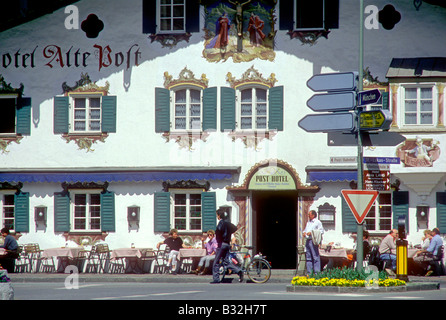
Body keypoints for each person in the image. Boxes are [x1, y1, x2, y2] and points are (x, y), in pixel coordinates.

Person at [211, 209, 243, 283]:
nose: (217, 216)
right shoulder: (228, 223)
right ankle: (239, 271)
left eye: (217, 215)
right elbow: (235, 228)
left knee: (216, 262)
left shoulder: (221, 223)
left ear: (219, 215)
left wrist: (219, 237)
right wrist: (229, 233)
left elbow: (218, 230)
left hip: (221, 244)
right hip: (227, 244)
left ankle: (216, 279)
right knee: (226, 262)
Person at [303, 210, 324, 274]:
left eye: (309, 214)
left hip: (313, 240)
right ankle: (309, 273)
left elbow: (321, 231)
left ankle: (316, 273)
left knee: (315, 257)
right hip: (308, 240)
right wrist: (304, 232)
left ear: (313, 215)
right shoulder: (308, 222)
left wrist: (312, 233)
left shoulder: (317, 222)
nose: (308, 216)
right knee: (308, 257)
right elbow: (305, 230)